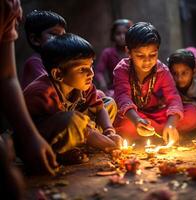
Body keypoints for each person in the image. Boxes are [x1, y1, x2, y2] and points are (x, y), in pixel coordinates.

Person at [23, 33, 122, 164]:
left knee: (109, 103)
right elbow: (67, 125)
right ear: (58, 74)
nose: (91, 73)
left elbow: (99, 109)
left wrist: (109, 132)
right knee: (73, 121)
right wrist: (107, 144)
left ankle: (85, 143)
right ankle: (61, 155)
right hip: (40, 141)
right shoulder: (43, 92)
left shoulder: (84, 86)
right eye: (82, 69)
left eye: (91, 66)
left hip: (79, 129)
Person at [0, 0, 58, 199]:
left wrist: (30, 137)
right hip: (43, 119)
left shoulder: (9, 6)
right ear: (34, 39)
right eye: (54, 35)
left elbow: (7, 76)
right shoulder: (36, 65)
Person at [113, 22, 196, 144]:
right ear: (128, 51)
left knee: (194, 113)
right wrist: (137, 120)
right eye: (140, 55)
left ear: (158, 51)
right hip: (135, 117)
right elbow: (123, 98)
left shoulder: (162, 70)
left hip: (158, 115)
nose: (147, 61)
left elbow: (173, 98)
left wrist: (171, 124)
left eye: (153, 55)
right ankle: (156, 131)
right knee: (123, 124)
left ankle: (163, 131)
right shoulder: (122, 70)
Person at [21, 10, 66, 89]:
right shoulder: (35, 62)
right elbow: (51, 89)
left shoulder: (57, 64)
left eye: (63, 36)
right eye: (54, 34)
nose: (61, 39)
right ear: (35, 40)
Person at [94, 19, 133, 96]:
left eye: (125, 33)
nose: (122, 37)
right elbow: (98, 71)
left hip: (134, 89)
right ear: (113, 36)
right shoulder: (108, 53)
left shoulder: (135, 52)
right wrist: (102, 84)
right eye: (118, 34)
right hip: (115, 90)